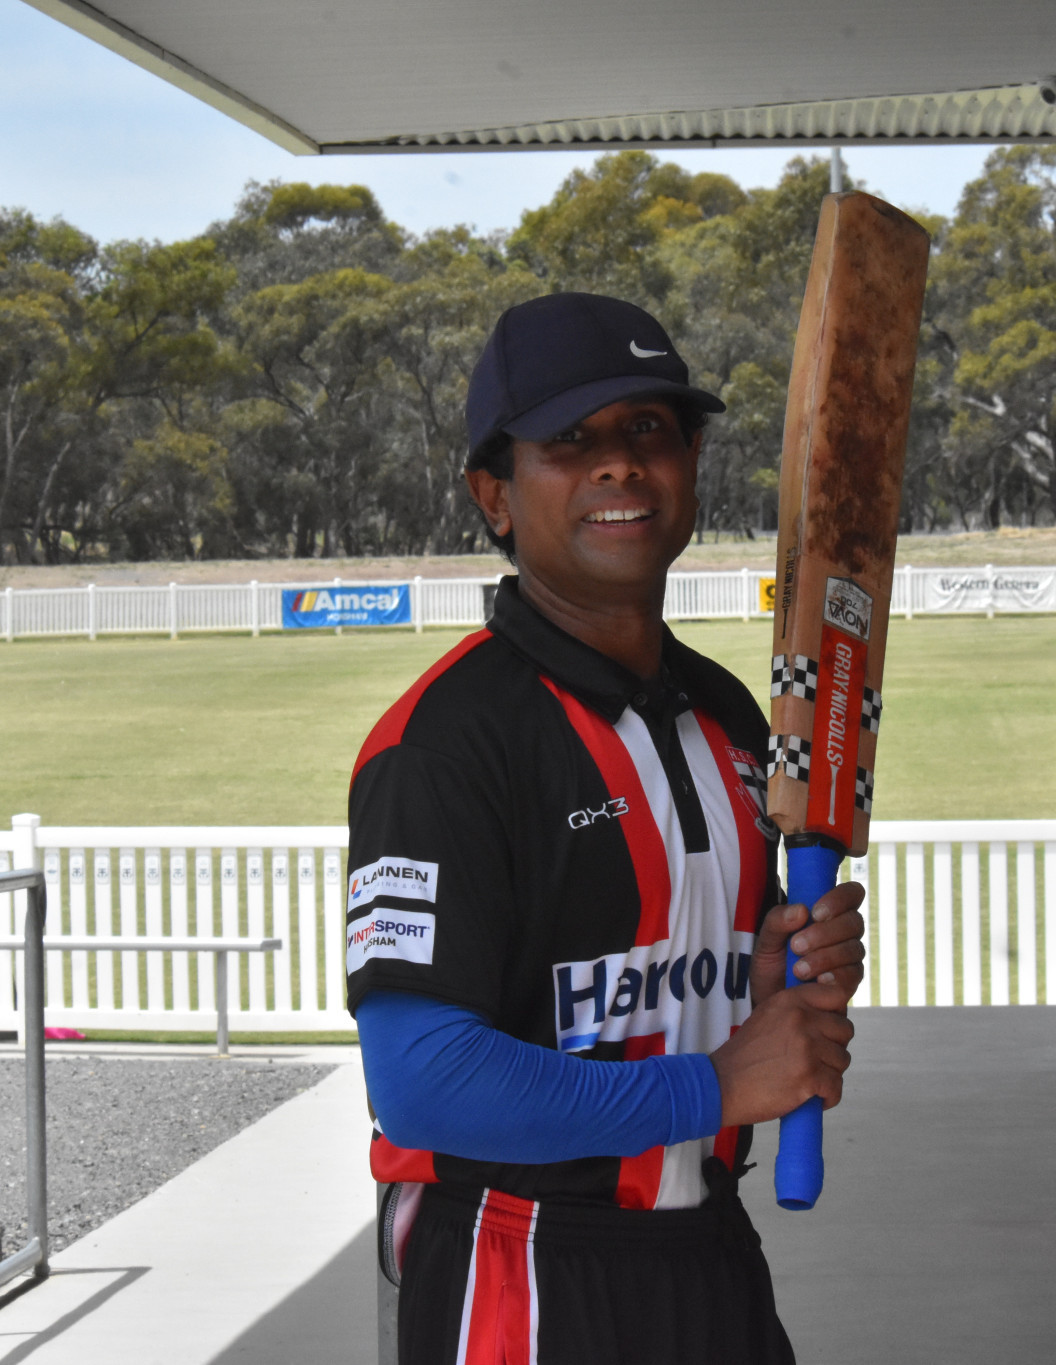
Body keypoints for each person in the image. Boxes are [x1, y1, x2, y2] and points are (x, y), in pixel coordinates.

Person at [345, 292, 868, 1365]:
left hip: (707, 1249)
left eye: (649, 432)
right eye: (569, 442)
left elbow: (675, 983)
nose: (619, 466)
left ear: (687, 468)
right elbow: (421, 1081)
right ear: (494, 495)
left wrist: (761, 981)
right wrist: (717, 1085)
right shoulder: (442, 746)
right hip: (518, 1266)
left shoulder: (731, 718)